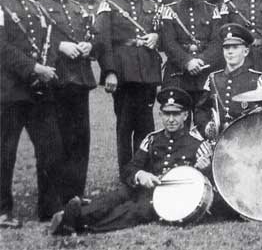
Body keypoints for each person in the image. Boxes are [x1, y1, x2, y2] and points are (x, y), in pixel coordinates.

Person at [50, 87, 212, 235]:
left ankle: (77, 221)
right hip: (141, 189)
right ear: (160, 114)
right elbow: (130, 169)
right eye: (166, 114)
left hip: (166, 198)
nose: (171, 119)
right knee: (115, 197)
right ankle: (72, 216)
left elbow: (206, 186)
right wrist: (140, 174)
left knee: (133, 211)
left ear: (185, 115)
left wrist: (204, 169)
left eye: (176, 114)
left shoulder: (198, 144)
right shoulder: (152, 139)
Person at [0, 0, 64, 226]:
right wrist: (32, 68)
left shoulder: (34, 7)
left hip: (39, 91)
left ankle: (49, 209)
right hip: (9, 92)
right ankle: (2, 210)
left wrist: (45, 67)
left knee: (51, 148)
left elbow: (47, 43)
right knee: (4, 152)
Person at [34, 0, 97, 203]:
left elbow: (92, 36)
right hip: (52, 82)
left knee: (79, 141)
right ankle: (51, 201)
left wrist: (88, 46)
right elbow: (30, 42)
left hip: (79, 82)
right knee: (52, 144)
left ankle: (74, 196)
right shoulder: (36, 7)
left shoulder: (77, 8)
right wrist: (60, 47)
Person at [95, 0, 162, 181]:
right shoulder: (110, 5)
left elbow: (166, 36)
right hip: (123, 76)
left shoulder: (154, 7)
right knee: (125, 130)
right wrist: (110, 72)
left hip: (147, 76)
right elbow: (102, 42)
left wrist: (156, 36)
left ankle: (144, 175)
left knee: (146, 129)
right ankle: (126, 177)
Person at [162, 0, 223, 104]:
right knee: (178, 122)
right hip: (178, 76)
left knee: (205, 122)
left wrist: (201, 60)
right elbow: (168, 42)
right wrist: (187, 61)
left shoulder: (212, 10)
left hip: (206, 75)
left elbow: (217, 42)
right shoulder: (169, 11)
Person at [196, 23, 262, 135]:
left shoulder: (258, 79)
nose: (230, 52)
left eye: (235, 47)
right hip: (220, 138)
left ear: (245, 52)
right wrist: (207, 126)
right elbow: (201, 110)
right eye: (226, 48)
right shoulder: (213, 78)